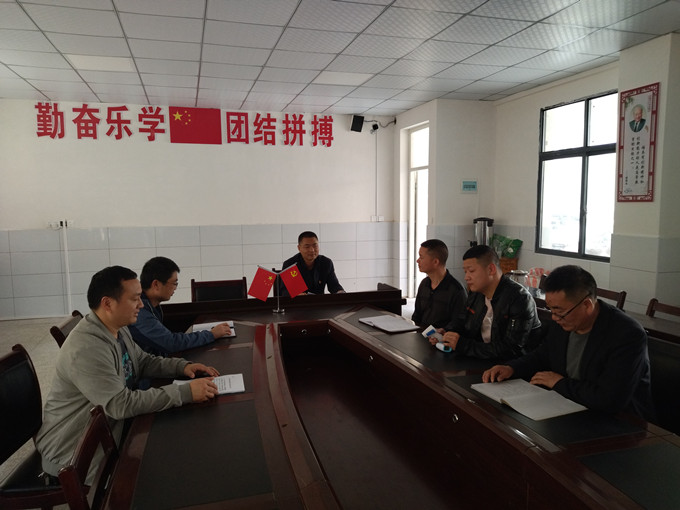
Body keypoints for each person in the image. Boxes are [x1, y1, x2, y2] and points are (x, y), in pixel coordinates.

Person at [35, 266, 220, 479]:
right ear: (108, 303)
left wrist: (182, 367)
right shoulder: (86, 349)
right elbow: (120, 404)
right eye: (135, 299)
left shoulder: (117, 326)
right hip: (74, 453)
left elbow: (141, 361)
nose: (141, 304)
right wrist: (185, 393)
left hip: (111, 429)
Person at [482, 265, 655, 421]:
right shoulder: (564, 321)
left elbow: (610, 399)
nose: (554, 318)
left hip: (621, 422)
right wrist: (511, 368)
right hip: (569, 405)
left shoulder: (626, 334)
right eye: (551, 310)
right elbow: (543, 355)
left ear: (587, 305)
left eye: (559, 311)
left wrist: (558, 383)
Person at [432, 245, 540, 359]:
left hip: (510, 365)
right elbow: (462, 321)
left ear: (491, 269)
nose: (466, 277)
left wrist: (463, 345)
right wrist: (447, 333)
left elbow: (511, 349)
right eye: (465, 272)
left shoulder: (519, 298)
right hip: (479, 358)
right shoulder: (476, 293)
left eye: (471, 271)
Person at [128, 256, 232, 356]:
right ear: (156, 284)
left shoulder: (151, 305)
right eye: (174, 283)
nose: (175, 288)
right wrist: (211, 335)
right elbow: (171, 343)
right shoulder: (140, 311)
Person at [411, 239, 466, 329]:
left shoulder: (456, 289)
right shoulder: (424, 284)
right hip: (421, 334)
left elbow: (458, 323)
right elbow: (416, 316)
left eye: (421, 257)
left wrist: (442, 332)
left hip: (442, 336)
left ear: (435, 262)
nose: (417, 260)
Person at [281, 231, 344, 295]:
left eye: (315, 246)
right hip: (299, 300)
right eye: (307, 247)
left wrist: (340, 292)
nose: (312, 250)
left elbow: (334, 286)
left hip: (319, 301)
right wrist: (297, 295)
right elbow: (285, 291)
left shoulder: (326, 263)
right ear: (299, 248)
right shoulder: (290, 265)